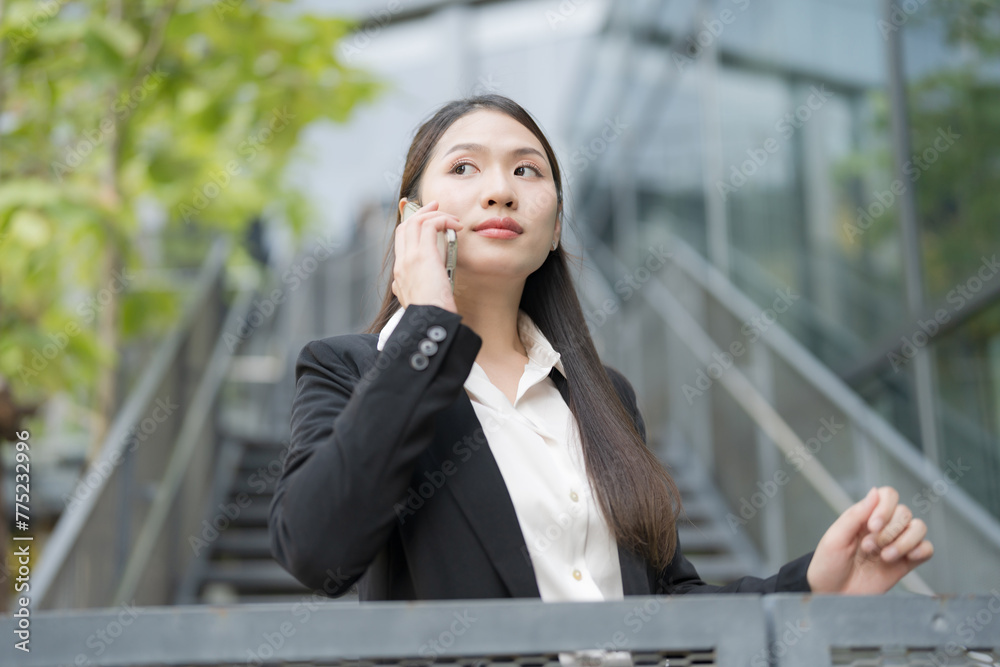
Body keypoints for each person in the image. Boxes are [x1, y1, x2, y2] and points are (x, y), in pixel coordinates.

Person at [268, 93, 934, 659]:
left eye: (527, 171)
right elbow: (317, 549)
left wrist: (812, 588)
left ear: (555, 225)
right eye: (465, 166)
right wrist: (426, 330)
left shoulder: (603, 396)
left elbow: (666, 608)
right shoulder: (351, 369)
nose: (501, 188)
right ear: (411, 219)